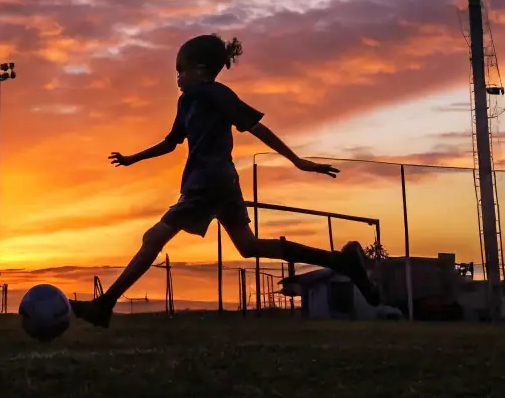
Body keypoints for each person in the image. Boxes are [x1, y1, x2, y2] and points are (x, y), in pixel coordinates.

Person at [71, 34, 379, 328]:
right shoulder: (188, 102)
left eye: (181, 70)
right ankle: (341, 262)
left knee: (153, 238)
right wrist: (132, 158)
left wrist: (296, 160)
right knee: (248, 245)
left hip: (210, 182)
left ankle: (104, 305)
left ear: (201, 70)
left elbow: (256, 127)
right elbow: (171, 142)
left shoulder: (215, 94)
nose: (177, 77)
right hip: (216, 183)